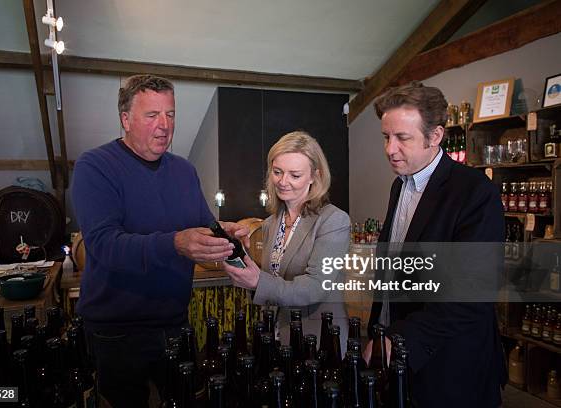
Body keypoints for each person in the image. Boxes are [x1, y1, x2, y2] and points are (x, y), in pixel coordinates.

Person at [71, 74, 247, 408]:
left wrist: (224, 233)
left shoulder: (184, 170)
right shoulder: (95, 166)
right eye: (152, 115)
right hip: (116, 332)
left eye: (170, 114)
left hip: (175, 324)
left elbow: (203, 225)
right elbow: (104, 246)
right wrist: (176, 244)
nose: (164, 125)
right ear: (125, 119)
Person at [365, 81, 506, 407]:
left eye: (402, 138)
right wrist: (380, 331)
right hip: (402, 357)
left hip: (451, 367)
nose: (390, 149)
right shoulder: (399, 186)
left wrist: (396, 340)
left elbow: (471, 295)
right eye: (386, 137)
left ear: (436, 136)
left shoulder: (474, 193)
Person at [223, 131, 351, 349]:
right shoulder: (271, 223)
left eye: (295, 175)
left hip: (319, 340)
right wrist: (241, 261)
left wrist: (258, 282)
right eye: (277, 172)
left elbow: (316, 287)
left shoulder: (334, 220)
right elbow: (272, 281)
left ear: (314, 176)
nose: (283, 182)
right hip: (278, 335)